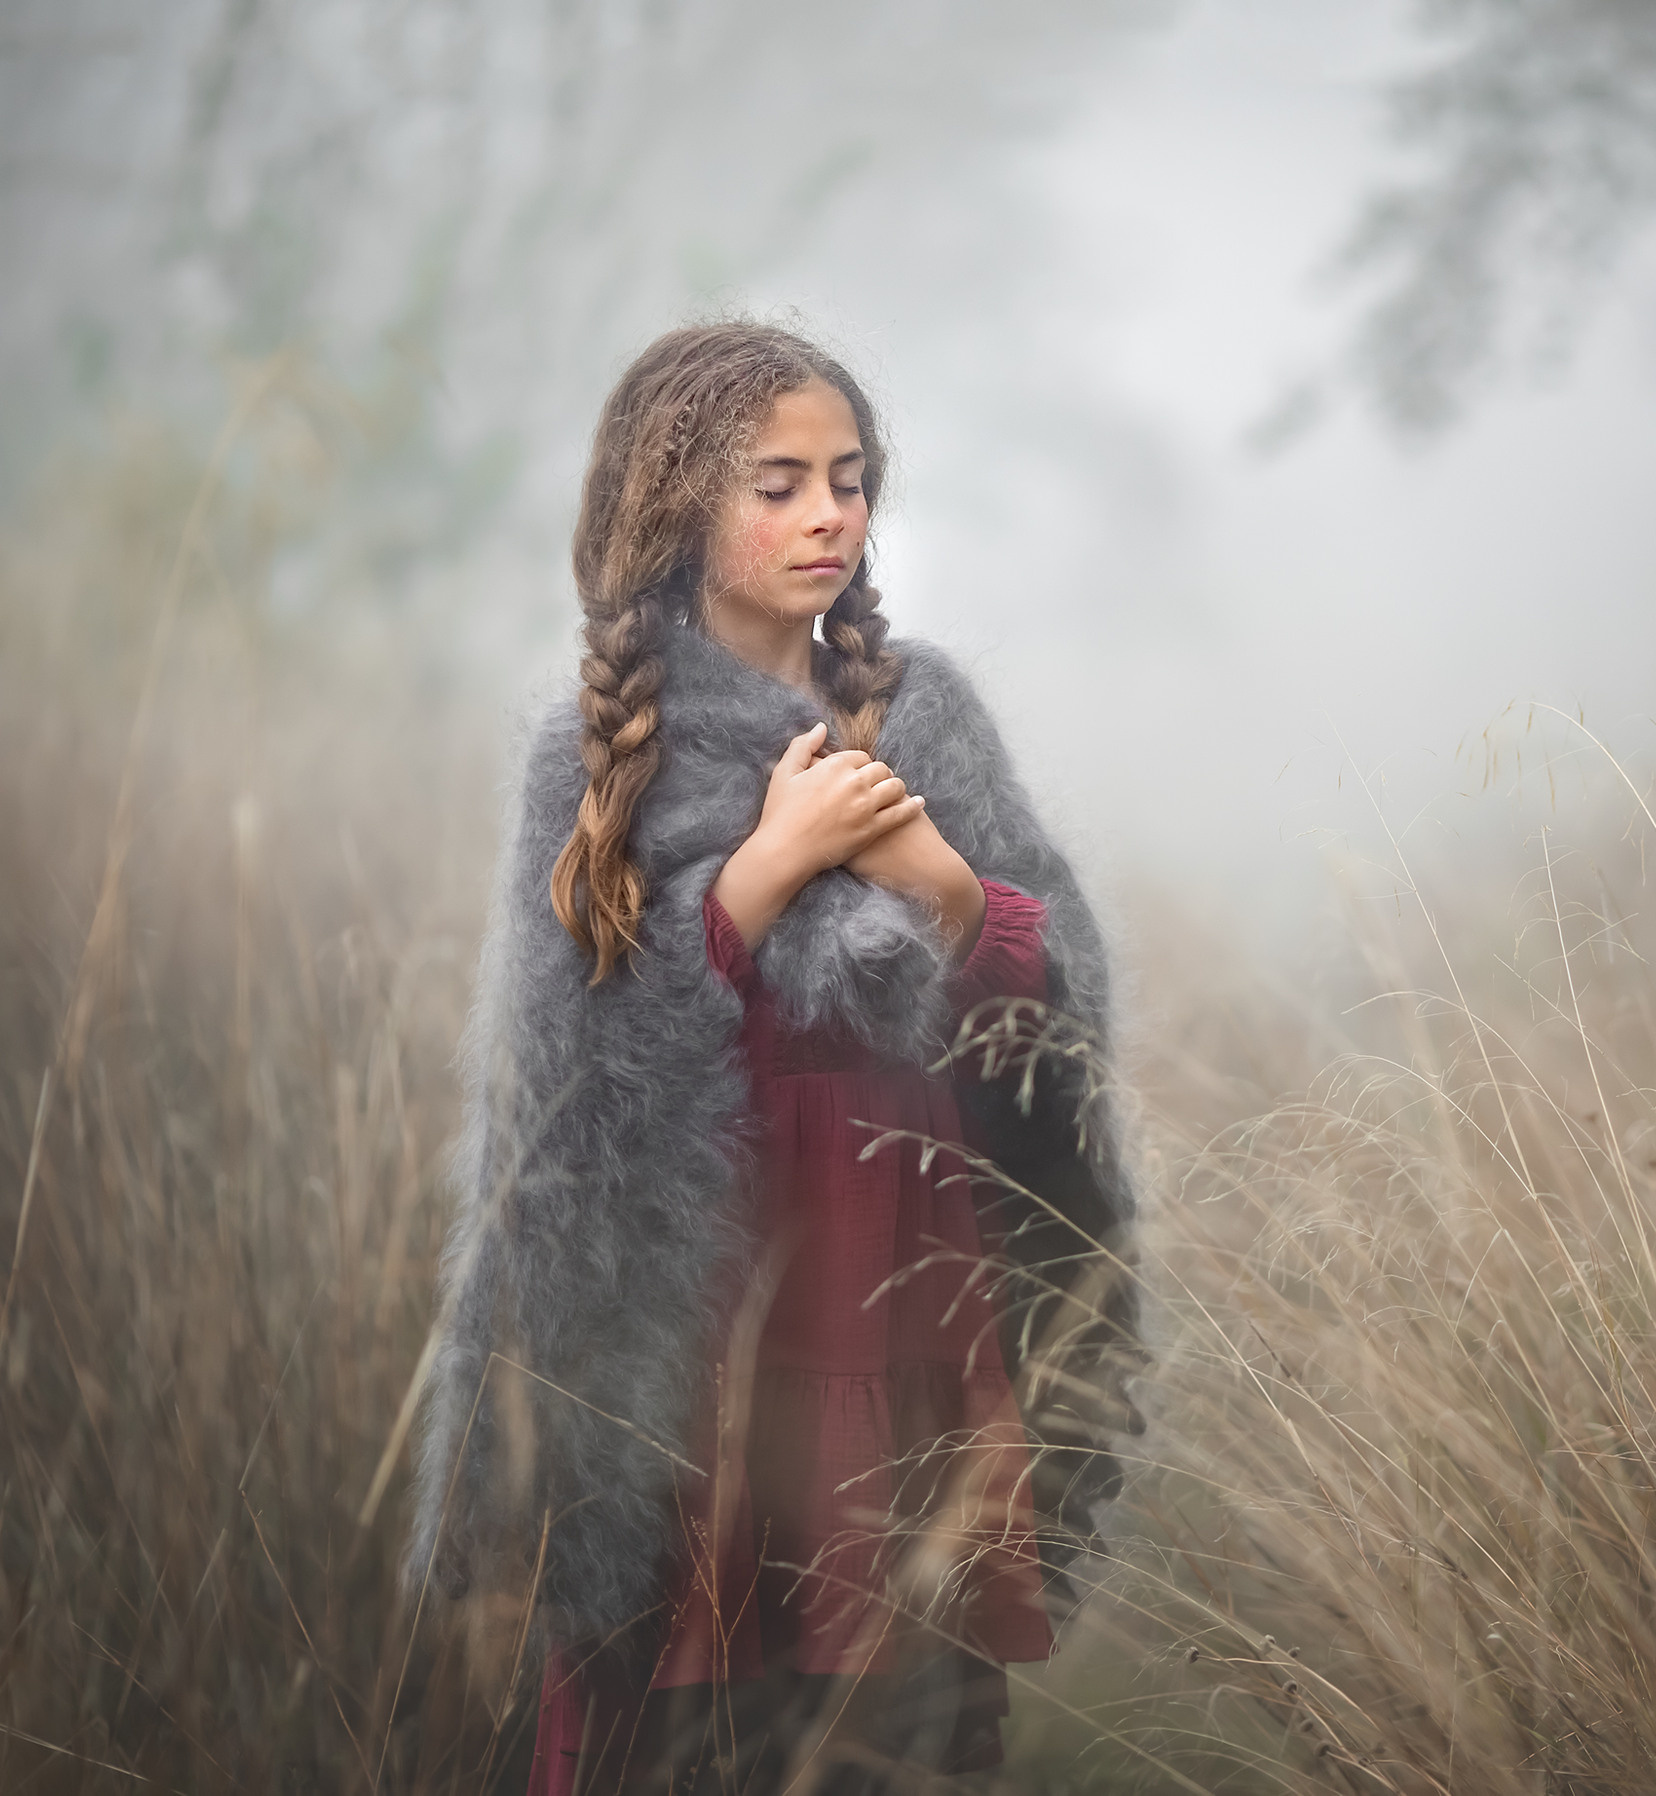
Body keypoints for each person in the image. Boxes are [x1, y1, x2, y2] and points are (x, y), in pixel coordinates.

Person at [406, 321, 1140, 1792]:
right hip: (705, 1332)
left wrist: (937, 878)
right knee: (684, 1729)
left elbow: (1051, 1011)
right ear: (677, 509)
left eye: (851, 481)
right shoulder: (597, 757)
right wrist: (769, 865)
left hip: (900, 1306)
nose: (829, 516)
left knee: (897, 1721)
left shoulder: (923, 716)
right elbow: (581, 1085)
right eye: (780, 484)